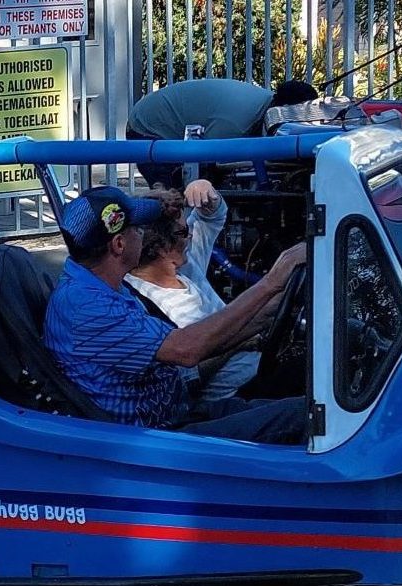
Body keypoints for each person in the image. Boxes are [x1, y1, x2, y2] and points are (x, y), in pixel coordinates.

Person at [43, 186, 307, 444]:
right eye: (138, 230)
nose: (143, 237)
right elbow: (187, 350)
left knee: (308, 401)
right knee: (306, 418)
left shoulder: (100, 285)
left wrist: (267, 315)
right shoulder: (88, 307)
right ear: (119, 244)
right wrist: (272, 282)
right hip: (155, 441)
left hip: (176, 412)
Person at [125, 180, 261, 401]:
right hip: (238, 398)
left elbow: (211, 218)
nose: (190, 236)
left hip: (264, 362)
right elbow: (186, 380)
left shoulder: (183, 265)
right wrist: (237, 342)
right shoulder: (146, 307)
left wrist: (204, 188)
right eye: (183, 231)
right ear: (161, 247)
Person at [125, 79, 318, 188]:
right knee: (172, 202)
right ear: (282, 109)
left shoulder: (262, 103)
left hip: (159, 124)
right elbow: (205, 157)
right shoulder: (236, 122)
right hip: (147, 130)